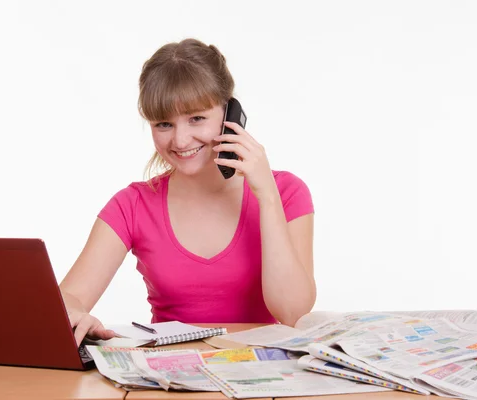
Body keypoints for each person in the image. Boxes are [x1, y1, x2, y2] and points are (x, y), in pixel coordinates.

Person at [60, 38, 316, 346]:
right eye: (164, 124)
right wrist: (74, 312)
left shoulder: (286, 192)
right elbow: (70, 296)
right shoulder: (132, 204)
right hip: (170, 379)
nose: (181, 141)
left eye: (197, 118)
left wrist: (267, 196)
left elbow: (292, 312)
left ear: (230, 113)